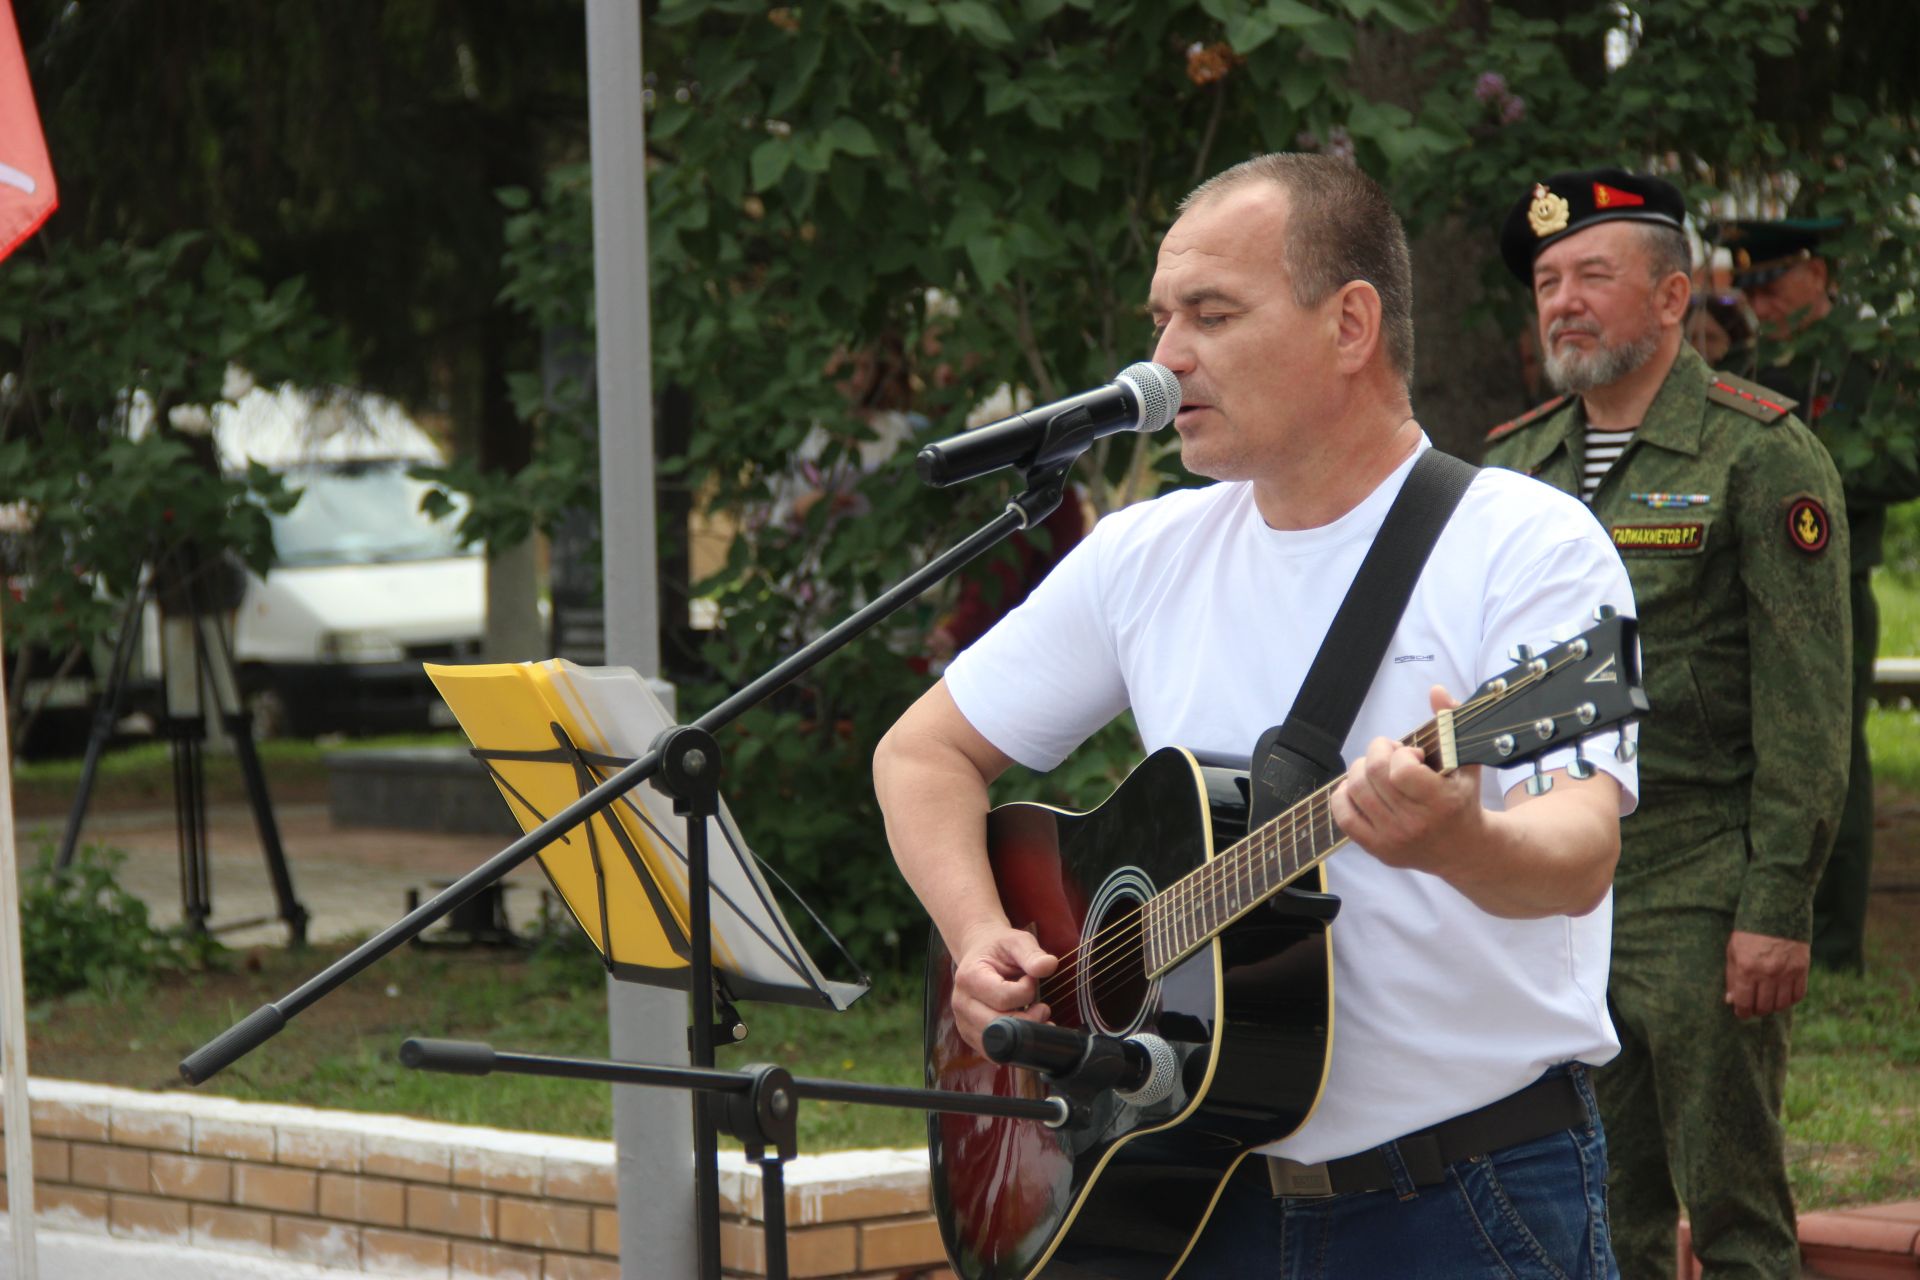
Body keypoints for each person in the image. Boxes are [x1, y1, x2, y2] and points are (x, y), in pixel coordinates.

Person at [876, 153, 1638, 1277]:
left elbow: (1580, 852)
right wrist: (977, 928)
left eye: (1211, 314)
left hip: (1462, 1201)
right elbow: (924, 750)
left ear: (1350, 324)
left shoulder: (1527, 544)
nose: (1166, 356)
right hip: (1195, 1191)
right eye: (1161, 317)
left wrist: (1459, 841)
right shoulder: (1148, 552)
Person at [1482, 169, 1853, 1278]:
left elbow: (1808, 698)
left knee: (1734, 1209)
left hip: (1701, 879)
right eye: (1548, 281)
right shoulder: (1514, 467)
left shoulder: (1761, 453)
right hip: (1556, 877)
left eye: (1594, 274)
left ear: (1671, 296)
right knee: (1590, 1203)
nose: (1564, 301)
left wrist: (1777, 902)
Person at [1720, 216, 1920, 974]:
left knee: (1834, 753)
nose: (1761, 303)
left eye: (1772, 283)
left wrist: (1805, 484)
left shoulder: (1870, 366)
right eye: (1751, 288)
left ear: (1819, 274)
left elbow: (1905, 465)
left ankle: (1837, 943)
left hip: (1832, 584)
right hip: (1740, 588)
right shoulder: (1741, 365)